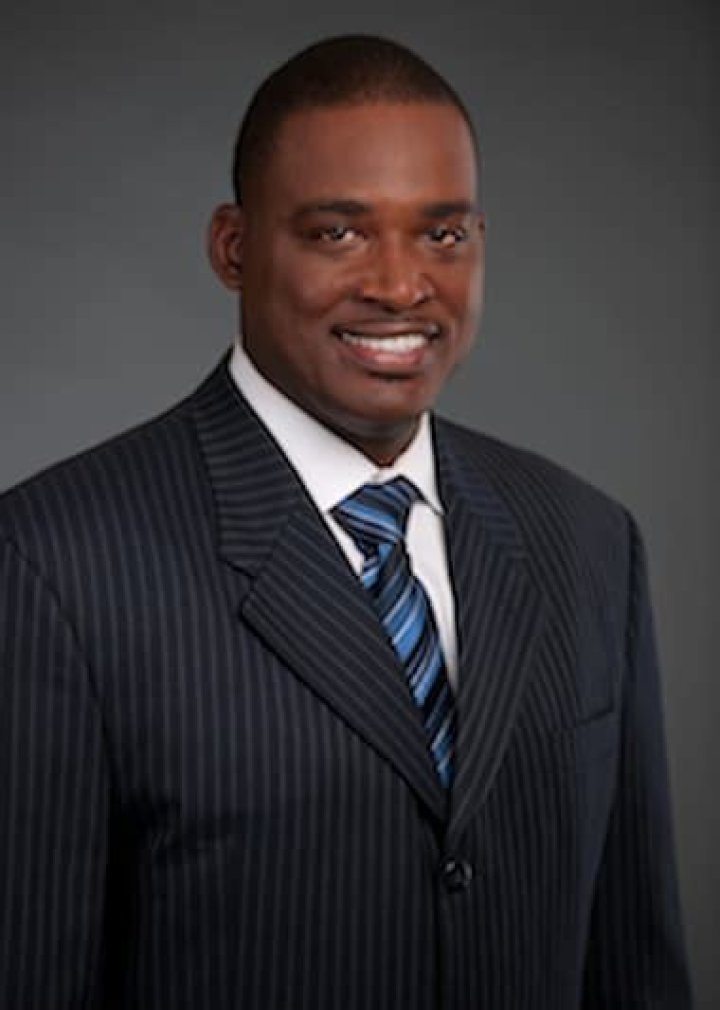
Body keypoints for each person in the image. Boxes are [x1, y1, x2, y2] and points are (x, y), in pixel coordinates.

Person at [0, 34, 692, 1010]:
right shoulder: (52, 563)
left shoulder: (588, 541)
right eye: (339, 233)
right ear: (233, 248)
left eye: (442, 234)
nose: (401, 285)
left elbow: (636, 968)